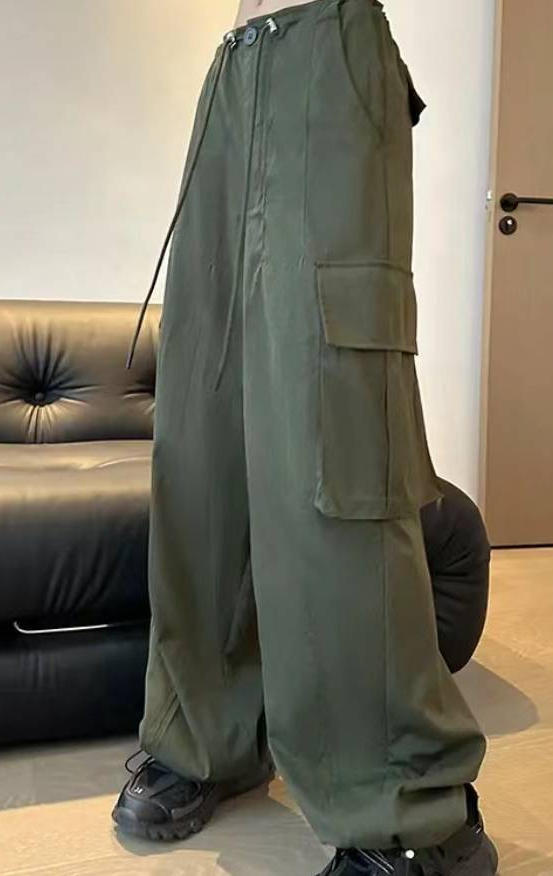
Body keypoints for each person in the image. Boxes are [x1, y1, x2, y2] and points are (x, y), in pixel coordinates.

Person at [115, 1, 498, 873]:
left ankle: (413, 813)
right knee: (203, 441)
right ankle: (211, 735)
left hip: (330, 45)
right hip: (233, 66)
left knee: (336, 445)